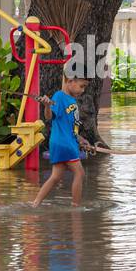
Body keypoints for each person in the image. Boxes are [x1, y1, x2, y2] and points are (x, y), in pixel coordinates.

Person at [31, 73, 95, 206]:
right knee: (79, 173)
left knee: (55, 177)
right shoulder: (59, 97)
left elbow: (70, 127)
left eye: (84, 87)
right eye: (81, 86)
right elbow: (49, 117)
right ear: (70, 81)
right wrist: (47, 106)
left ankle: (35, 204)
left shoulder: (72, 100)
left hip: (65, 142)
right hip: (63, 143)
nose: (82, 90)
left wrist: (81, 139)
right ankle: (76, 207)